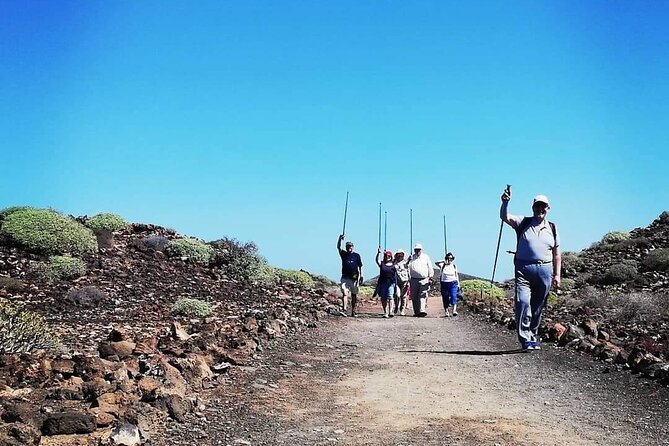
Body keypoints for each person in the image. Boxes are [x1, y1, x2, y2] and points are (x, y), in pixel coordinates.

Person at [500, 189, 561, 350]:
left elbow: (557, 255)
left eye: (543, 207)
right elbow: (505, 217)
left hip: (545, 270)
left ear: (548, 208)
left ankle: (533, 335)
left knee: (538, 305)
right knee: (522, 302)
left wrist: (557, 275)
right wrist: (505, 202)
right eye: (537, 206)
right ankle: (525, 338)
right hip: (523, 269)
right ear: (533, 207)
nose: (540, 209)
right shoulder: (524, 222)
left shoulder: (553, 228)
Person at [337, 234, 363, 317]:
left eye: (350, 246)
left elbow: (360, 267)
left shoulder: (357, 256)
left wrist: (361, 276)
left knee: (354, 295)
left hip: (354, 278)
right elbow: (338, 247)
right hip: (345, 277)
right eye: (348, 246)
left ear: (353, 247)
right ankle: (344, 309)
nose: (349, 247)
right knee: (345, 293)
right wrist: (340, 239)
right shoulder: (343, 254)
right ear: (346, 247)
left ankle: (353, 311)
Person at [407, 243, 433, 317]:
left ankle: (422, 310)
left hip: (424, 279)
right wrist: (408, 260)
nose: (417, 251)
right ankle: (416, 312)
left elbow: (430, 267)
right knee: (414, 296)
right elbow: (407, 267)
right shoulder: (411, 258)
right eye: (416, 249)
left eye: (418, 249)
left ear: (421, 250)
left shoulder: (426, 257)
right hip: (413, 279)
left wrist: (430, 276)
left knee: (422, 295)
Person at [435, 252, 460, 317]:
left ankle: (454, 310)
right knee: (445, 297)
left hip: (453, 283)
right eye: (448, 258)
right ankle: (446, 311)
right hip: (444, 283)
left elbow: (456, 275)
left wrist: (458, 284)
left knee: (453, 295)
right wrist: (443, 261)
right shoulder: (442, 265)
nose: (450, 260)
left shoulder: (454, 266)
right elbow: (436, 262)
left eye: (451, 258)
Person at [375, 248, 397, 318]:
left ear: (391, 257)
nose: (388, 257)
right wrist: (378, 253)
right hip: (383, 283)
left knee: (390, 297)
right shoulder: (382, 264)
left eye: (389, 256)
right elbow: (377, 260)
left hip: (391, 283)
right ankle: (385, 312)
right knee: (384, 298)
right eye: (386, 256)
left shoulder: (394, 264)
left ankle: (391, 311)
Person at [393, 249, 410, 316]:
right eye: (398, 254)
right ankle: (396, 306)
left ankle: (402, 309)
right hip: (396, 281)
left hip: (404, 281)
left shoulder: (406, 262)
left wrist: (409, 281)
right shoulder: (393, 262)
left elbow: (409, 272)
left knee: (404, 296)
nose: (400, 256)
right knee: (397, 295)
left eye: (401, 255)